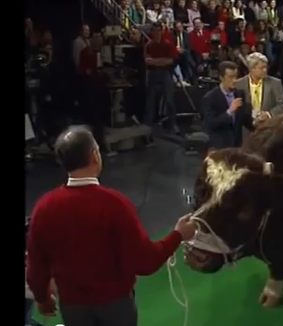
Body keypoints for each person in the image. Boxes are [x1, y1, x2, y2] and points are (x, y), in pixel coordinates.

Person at [26, 125, 197, 326]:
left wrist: (42, 298)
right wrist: (177, 235)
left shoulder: (44, 207)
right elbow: (145, 261)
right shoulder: (115, 203)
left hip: (72, 308)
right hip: (116, 306)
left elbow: (36, 264)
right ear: (94, 155)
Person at [202, 61, 255, 150]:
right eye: (230, 77)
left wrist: (256, 122)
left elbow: (244, 120)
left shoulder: (239, 94)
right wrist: (230, 112)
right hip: (220, 147)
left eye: (236, 77)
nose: (234, 80)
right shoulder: (210, 98)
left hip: (237, 146)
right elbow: (211, 124)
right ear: (221, 77)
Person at [144, 22, 180, 134]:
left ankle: (172, 124)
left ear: (161, 31)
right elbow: (147, 61)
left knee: (169, 100)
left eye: (158, 31)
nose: (156, 33)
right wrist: (163, 61)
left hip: (166, 73)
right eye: (154, 31)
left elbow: (172, 60)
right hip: (153, 73)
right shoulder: (148, 45)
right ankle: (148, 127)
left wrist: (156, 61)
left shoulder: (168, 44)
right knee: (150, 100)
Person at [234, 52, 283, 126]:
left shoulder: (275, 83)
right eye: (261, 68)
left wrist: (268, 114)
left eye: (266, 67)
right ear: (251, 69)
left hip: (268, 127)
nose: (265, 70)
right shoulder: (239, 84)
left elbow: (282, 105)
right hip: (246, 128)